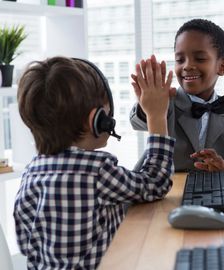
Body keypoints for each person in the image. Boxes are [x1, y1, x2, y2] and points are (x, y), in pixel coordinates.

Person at [13, 56, 175, 269]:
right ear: (98, 120)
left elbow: (27, 246)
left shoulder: (30, 174)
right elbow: (155, 183)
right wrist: (156, 115)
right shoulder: (97, 172)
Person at [130, 18, 224, 173]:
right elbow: (138, 121)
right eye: (180, 60)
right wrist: (147, 104)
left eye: (199, 58)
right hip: (166, 191)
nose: (187, 66)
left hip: (215, 191)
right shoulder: (165, 102)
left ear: (222, 67)